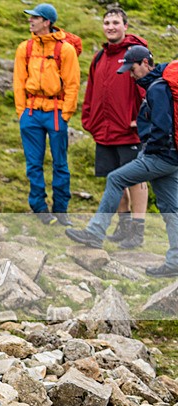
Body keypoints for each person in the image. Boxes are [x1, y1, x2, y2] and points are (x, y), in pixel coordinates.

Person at [66, 46, 178, 278]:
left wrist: (149, 152)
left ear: (146, 63)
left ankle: (95, 233)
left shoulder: (158, 89)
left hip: (161, 156)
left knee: (116, 178)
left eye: (133, 68)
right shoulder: (161, 86)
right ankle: (175, 261)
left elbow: (162, 127)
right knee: (171, 208)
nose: (130, 74)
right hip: (171, 157)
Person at [81, 7, 148, 248]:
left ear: (125, 26)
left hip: (130, 130)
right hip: (104, 130)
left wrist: (141, 119)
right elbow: (91, 90)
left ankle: (137, 231)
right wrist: (89, 119)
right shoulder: (99, 57)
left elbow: (147, 86)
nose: (110, 26)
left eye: (116, 22)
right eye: (107, 22)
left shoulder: (136, 51)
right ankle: (124, 225)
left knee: (136, 179)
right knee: (112, 178)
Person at [13, 3, 80, 225]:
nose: (30, 21)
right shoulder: (25, 48)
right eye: (30, 17)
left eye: (35, 18)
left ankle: (61, 210)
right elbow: (18, 82)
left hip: (56, 113)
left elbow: (72, 84)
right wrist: (22, 112)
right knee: (33, 163)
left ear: (47, 22)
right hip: (31, 113)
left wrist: (66, 114)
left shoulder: (66, 50)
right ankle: (40, 208)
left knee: (60, 163)